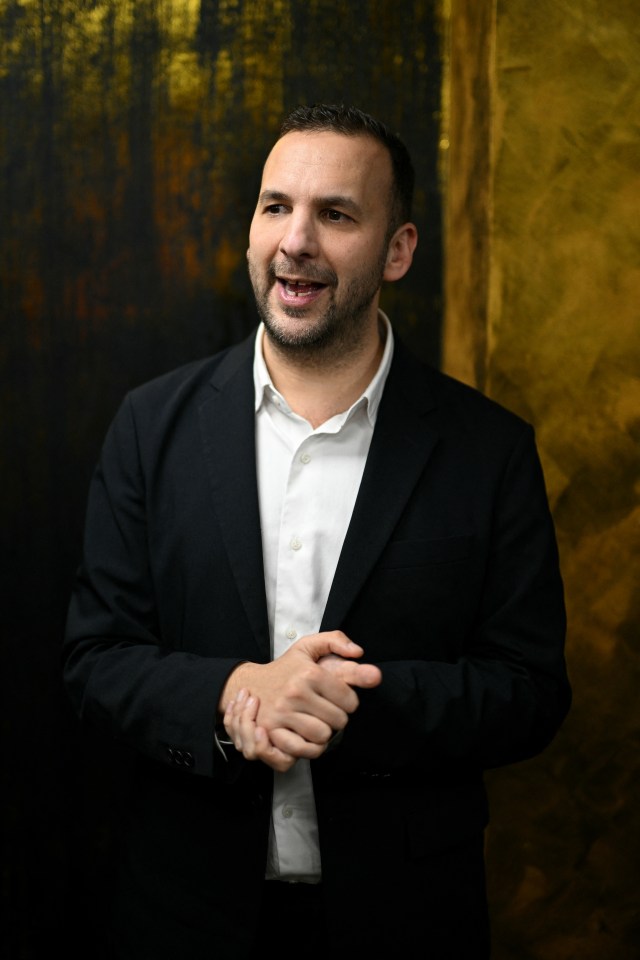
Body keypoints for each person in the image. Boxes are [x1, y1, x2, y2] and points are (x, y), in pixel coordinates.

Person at [64, 104, 570, 959]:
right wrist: (235, 696)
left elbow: (529, 691)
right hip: (183, 917)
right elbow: (94, 661)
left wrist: (348, 707)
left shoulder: (490, 450)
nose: (295, 241)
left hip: (406, 924)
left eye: (336, 215)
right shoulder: (151, 426)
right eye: (275, 207)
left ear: (399, 249)